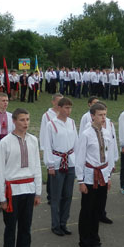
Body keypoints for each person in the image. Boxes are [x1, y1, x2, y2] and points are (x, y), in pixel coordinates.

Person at [0, 108, 42, 247]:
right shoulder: (5, 143)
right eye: (22, 120)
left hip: (28, 190)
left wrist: (38, 191)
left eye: (27, 119)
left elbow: (36, 166)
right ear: (14, 121)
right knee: (10, 230)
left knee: (25, 229)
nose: (26, 123)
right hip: (12, 192)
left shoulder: (33, 140)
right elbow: (0, 171)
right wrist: (2, 198)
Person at [75, 103, 114, 247]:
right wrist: (81, 180)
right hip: (90, 176)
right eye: (100, 115)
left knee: (98, 209)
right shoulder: (86, 134)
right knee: (87, 210)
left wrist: (108, 176)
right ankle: (84, 243)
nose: (103, 117)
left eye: (105, 114)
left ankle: (95, 241)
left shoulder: (106, 132)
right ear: (92, 116)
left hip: (102, 175)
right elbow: (80, 158)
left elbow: (109, 155)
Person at [43, 97, 77, 236]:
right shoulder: (51, 125)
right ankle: (55, 224)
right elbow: (47, 145)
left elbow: (76, 142)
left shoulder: (72, 123)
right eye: (66, 108)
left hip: (70, 162)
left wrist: (77, 161)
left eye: (70, 108)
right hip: (57, 163)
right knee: (56, 196)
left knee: (68, 195)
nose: (69, 110)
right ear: (59, 108)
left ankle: (64, 223)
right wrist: (50, 165)